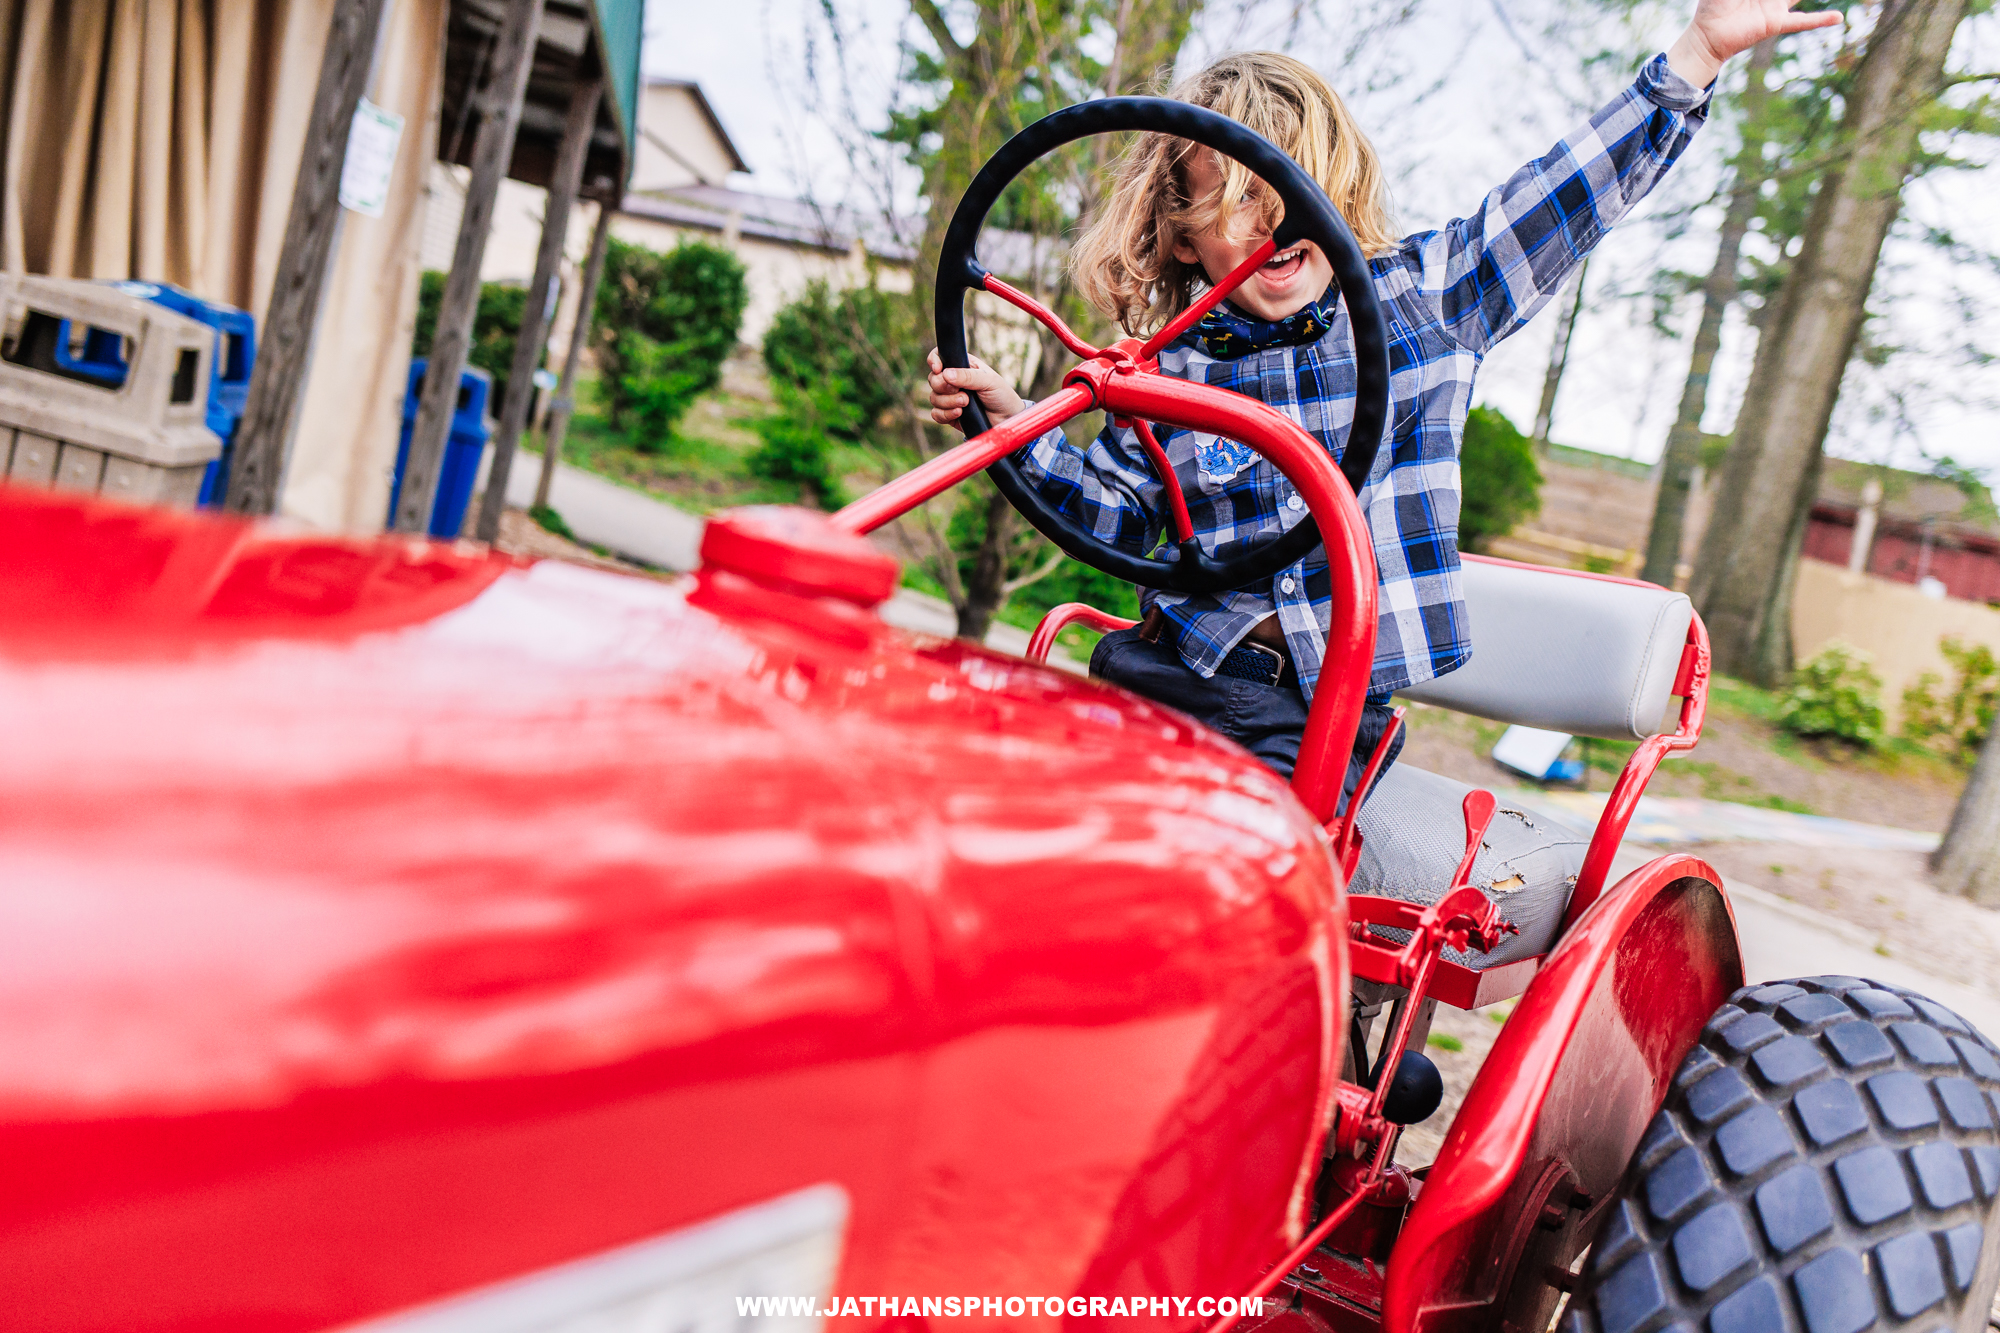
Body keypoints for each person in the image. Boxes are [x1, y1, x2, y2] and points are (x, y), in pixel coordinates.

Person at [927, 0, 1839, 806]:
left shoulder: (1427, 303)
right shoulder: (1171, 368)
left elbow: (1562, 198)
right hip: (1163, 663)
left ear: (1340, 192)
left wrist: (1696, 53)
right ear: (1180, 237)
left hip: (1311, 711)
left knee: (1215, 868)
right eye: (1232, 202)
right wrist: (1017, 425)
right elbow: (1122, 518)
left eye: (1288, 187)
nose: (1269, 223)